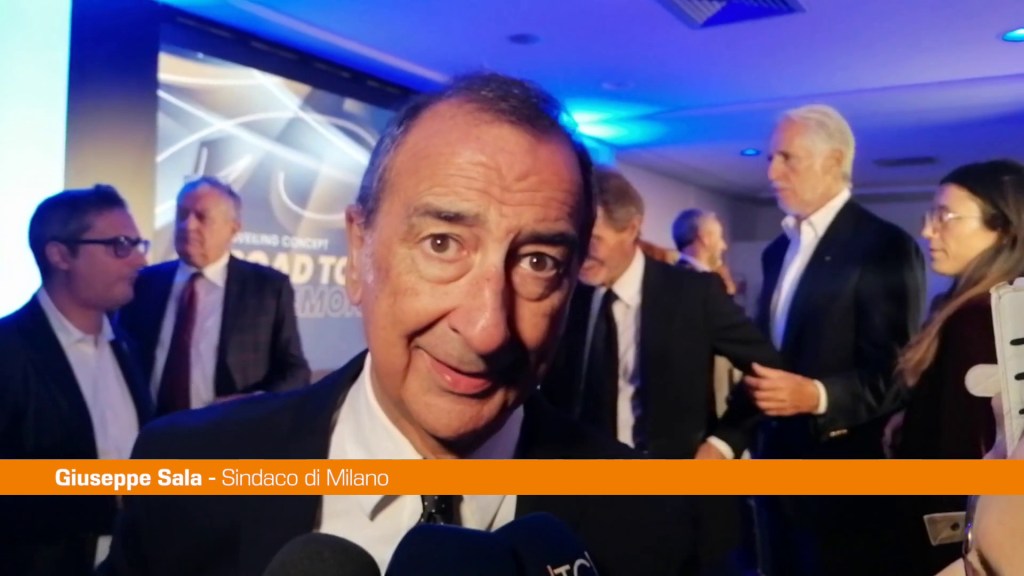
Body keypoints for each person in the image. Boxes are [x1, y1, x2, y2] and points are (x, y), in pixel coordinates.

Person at [100, 73, 700, 576]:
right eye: (442, 243)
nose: (487, 329)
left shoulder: (652, 516)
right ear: (358, 251)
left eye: (539, 262)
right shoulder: (186, 473)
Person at [542, 168, 780, 573]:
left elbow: (769, 369)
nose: (581, 253)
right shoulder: (565, 295)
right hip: (583, 500)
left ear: (632, 228)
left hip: (678, 500)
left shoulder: (693, 293)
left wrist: (723, 444)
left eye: (594, 239)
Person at [750, 104, 926, 575]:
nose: (771, 172)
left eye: (787, 158)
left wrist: (817, 395)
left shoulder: (884, 245)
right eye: (770, 158)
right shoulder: (776, 251)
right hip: (774, 475)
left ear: (833, 161)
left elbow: (896, 373)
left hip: (841, 486)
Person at [0, 186, 153, 576]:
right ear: (60, 255)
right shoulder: (9, 350)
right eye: (120, 245)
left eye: (138, 244)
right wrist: (107, 497)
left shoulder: (129, 346)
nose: (140, 259)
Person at [883, 159, 1024, 575]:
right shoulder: (962, 307)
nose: (928, 231)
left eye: (945, 216)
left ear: (1003, 228)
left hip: (947, 544)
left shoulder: (978, 318)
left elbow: (970, 452)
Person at [118, 177, 310, 415]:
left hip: (230, 430)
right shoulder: (144, 283)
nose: (187, 226)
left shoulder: (267, 289)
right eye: (182, 214)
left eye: (202, 217)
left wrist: (252, 402)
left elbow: (296, 371)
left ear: (233, 229)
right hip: (151, 430)